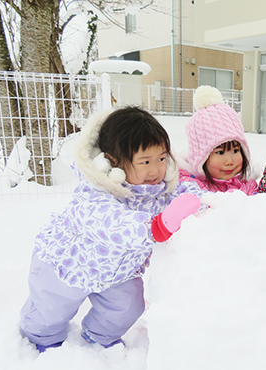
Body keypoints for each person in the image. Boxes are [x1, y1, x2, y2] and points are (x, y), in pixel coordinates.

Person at [19, 107, 201, 352]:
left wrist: (206, 203)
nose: (155, 170)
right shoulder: (95, 190)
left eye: (161, 159)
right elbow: (109, 222)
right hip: (68, 265)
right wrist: (153, 228)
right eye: (145, 162)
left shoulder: (160, 188)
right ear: (113, 162)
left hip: (117, 274)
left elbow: (186, 194)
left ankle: (98, 336)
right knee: (51, 310)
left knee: (128, 306)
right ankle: (40, 339)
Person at [178, 85, 258, 195]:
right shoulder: (191, 187)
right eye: (220, 152)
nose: (230, 161)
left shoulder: (247, 185)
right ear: (202, 158)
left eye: (235, 151)